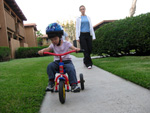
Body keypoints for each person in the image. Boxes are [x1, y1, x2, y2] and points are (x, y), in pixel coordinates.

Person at [38, 23, 80, 92]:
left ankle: (74, 85)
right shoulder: (53, 45)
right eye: (52, 40)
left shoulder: (66, 43)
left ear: (60, 37)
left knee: (71, 68)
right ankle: (51, 83)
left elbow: (73, 48)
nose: (54, 41)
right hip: (57, 62)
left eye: (55, 39)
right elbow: (47, 49)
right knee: (50, 66)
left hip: (67, 62)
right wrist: (42, 51)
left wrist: (76, 49)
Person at [76, 5, 96, 69]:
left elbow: (91, 27)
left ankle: (85, 60)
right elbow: (77, 28)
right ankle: (89, 64)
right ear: (80, 10)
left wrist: (93, 36)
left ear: (85, 10)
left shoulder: (88, 17)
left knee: (89, 49)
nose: (83, 10)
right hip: (82, 35)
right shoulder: (78, 18)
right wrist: (77, 37)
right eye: (81, 9)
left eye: (83, 9)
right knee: (85, 50)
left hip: (88, 34)